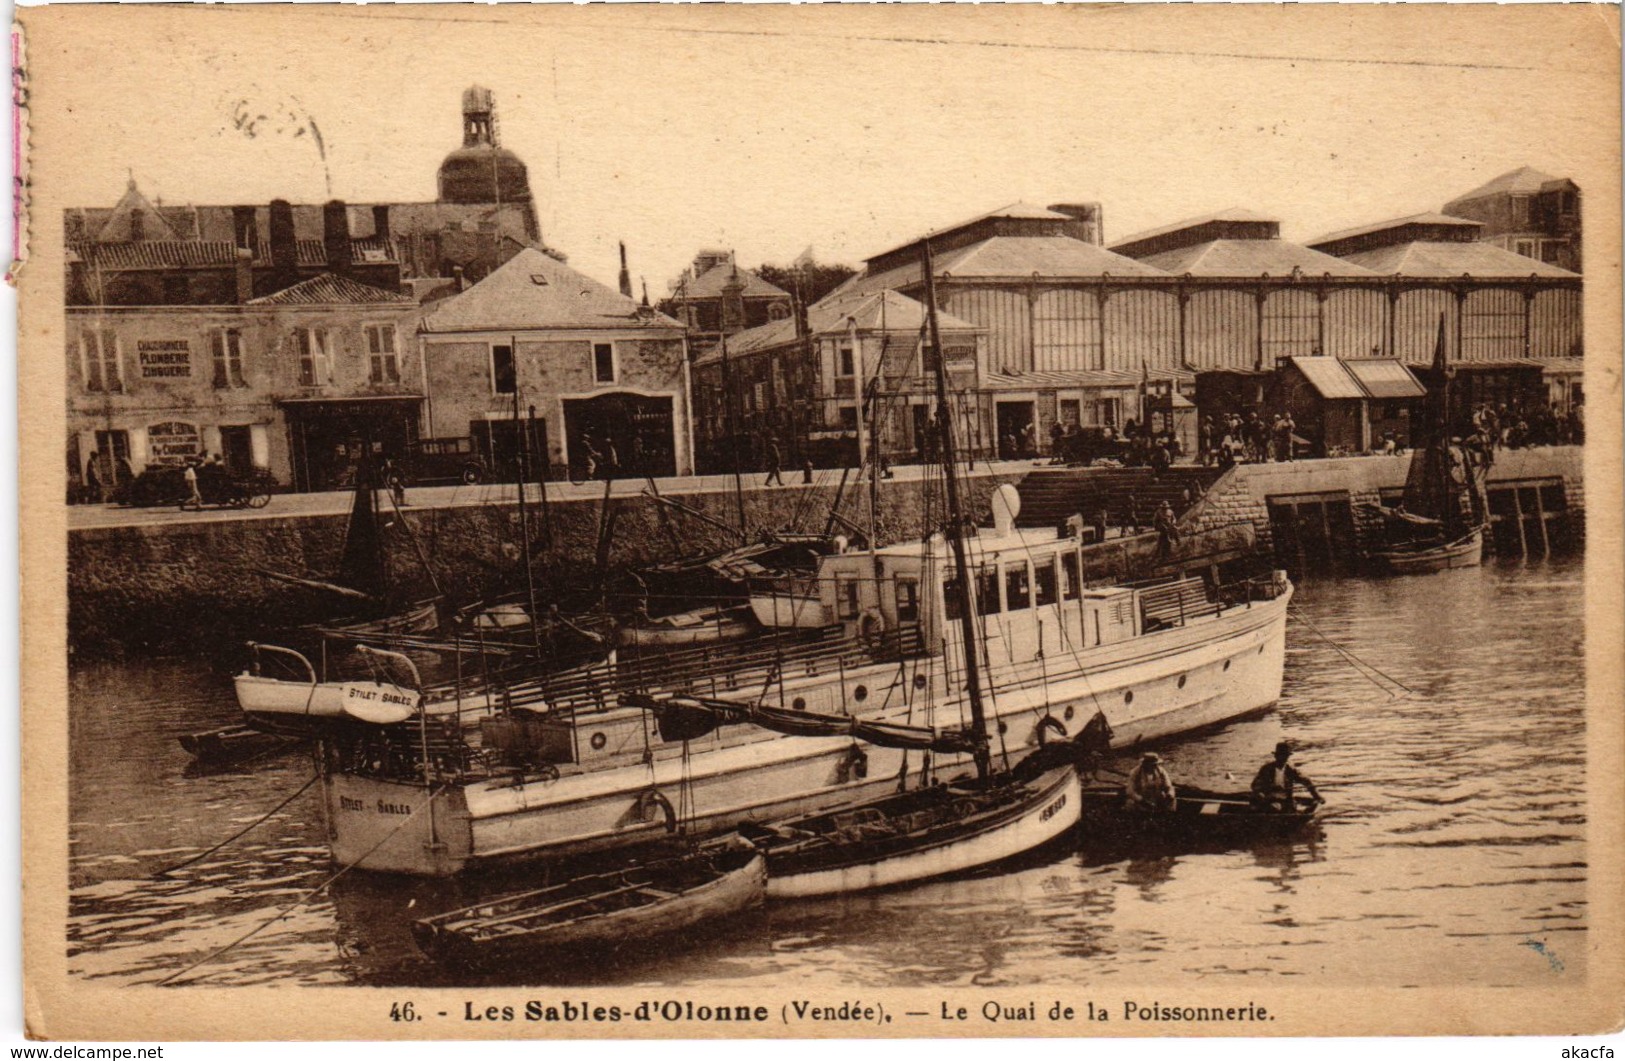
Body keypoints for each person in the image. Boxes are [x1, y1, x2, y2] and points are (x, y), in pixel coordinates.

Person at [1250, 741, 1321, 811]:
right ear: (1276, 756)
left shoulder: (1291, 770)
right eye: (1281, 755)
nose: (1283, 758)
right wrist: (1261, 792)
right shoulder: (1266, 769)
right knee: (1273, 807)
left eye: (1286, 756)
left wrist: (1317, 796)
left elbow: (1306, 781)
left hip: (1286, 799)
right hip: (1270, 798)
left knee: (1295, 809)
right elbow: (1255, 785)